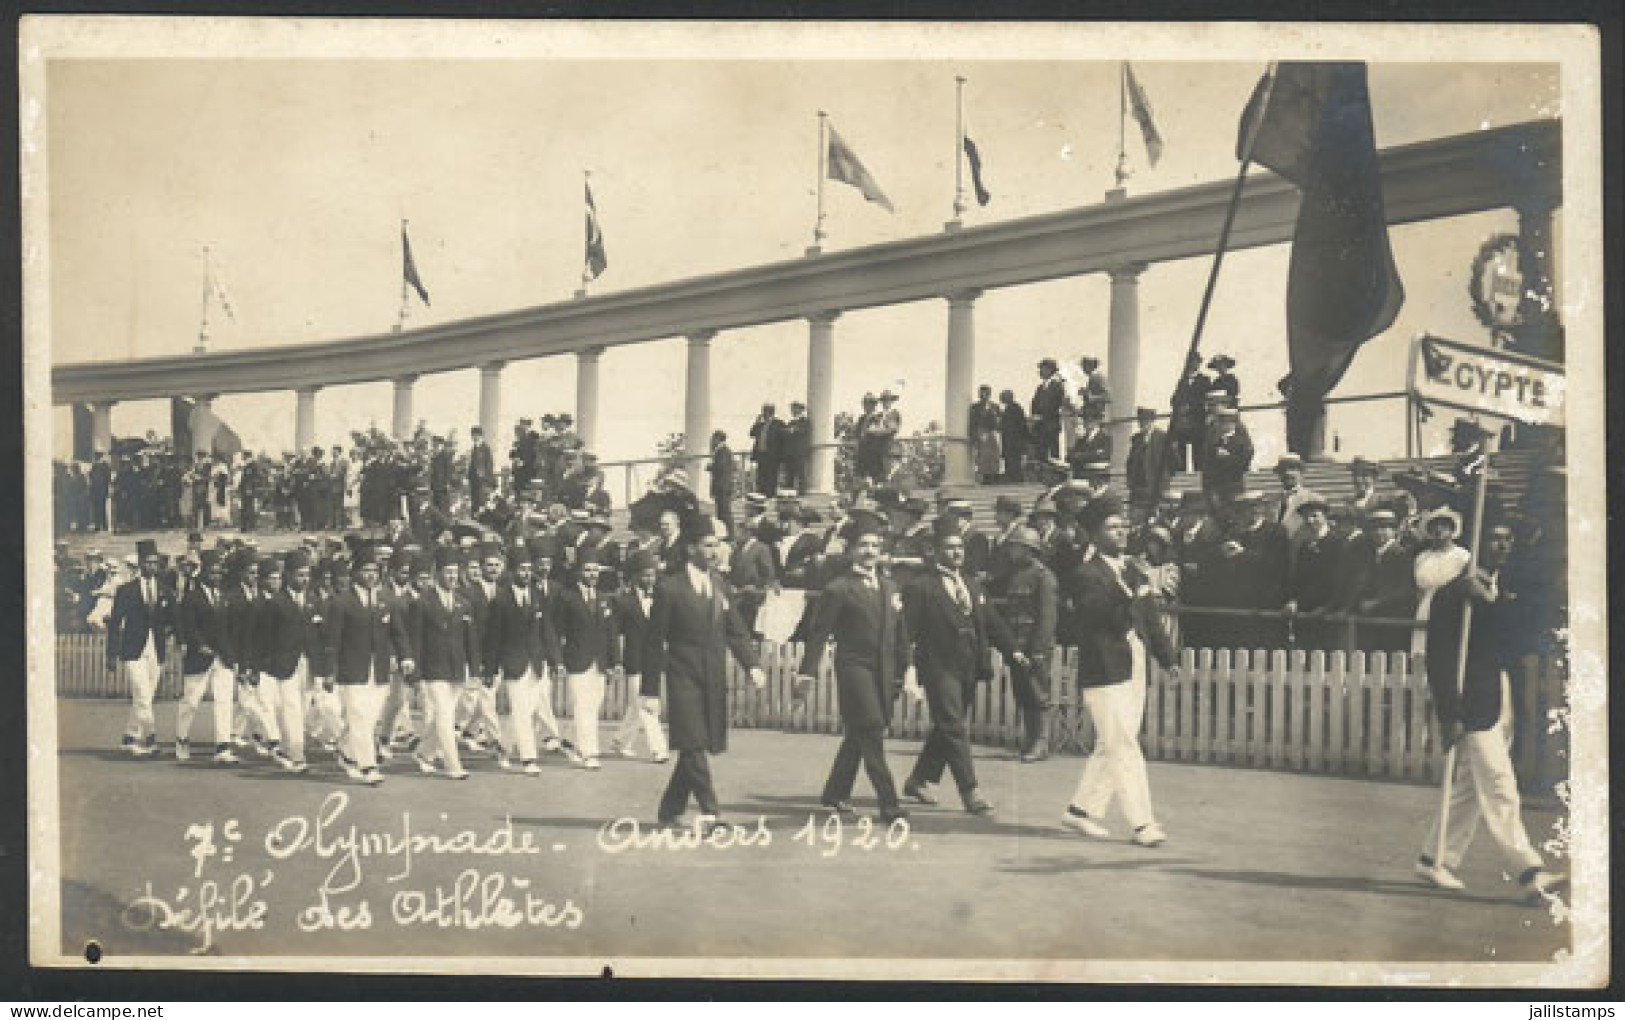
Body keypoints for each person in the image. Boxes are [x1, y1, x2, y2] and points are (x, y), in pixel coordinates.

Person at [1414, 521, 1566, 903]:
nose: (1501, 544)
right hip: (1471, 701)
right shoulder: (1452, 595)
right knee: (1499, 784)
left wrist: (1494, 603)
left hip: (1499, 697)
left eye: (1506, 538)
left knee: (1467, 787)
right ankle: (1529, 872)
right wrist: (1450, 712)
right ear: (1476, 543)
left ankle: (1434, 858)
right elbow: (1440, 657)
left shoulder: (1501, 589)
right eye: (1493, 537)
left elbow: (1514, 640)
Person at [1060, 498, 1179, 846]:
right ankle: (1143, 824)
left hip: (1134, 662)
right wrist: (1129, 593)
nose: (1121, 532)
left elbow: (1151, 620)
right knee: (1123, 745)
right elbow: (1095, 616)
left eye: (1122, 525)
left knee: (1111, 744)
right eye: (1112, 527)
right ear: (1094, 534)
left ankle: (1079, 812)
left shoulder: (1132, 570)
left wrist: (1167, 658)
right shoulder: (1085, 575)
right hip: (1104, 668)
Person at [645, 514, 766, 831]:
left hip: (712, 677)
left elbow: (736, 631)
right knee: (693, 743)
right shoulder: (668, 589)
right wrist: (649, 692)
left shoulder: (720, 585)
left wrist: (752, 664)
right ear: (689, 549)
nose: (715, 552)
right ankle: (711, 812)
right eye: (708, 545)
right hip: (681, 674)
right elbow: (654, 642)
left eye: (718, 546)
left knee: (693, 745)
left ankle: (670, 810)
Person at [797, 509, 912, 823]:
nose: (870, 551)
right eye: (863, 545)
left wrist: (907, 669)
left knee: (860, 733)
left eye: (875, 545)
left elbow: (901, 632)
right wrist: (806, 672)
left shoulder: (890, 587)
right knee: (872, 728)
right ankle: (889, 804)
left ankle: (835, 793)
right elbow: (818, 634)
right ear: (850, 551)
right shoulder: (838, 589)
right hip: (853, 669)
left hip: (885, 670)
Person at [901, 527, 1015, 815]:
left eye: (960, 548)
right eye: (950, 547)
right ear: (935, 551)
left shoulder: (973, 585)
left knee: (946, 725)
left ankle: (918, 780)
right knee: (953, 724)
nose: (956, 553)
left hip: (968, 665)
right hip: (937, 666)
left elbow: (993, 623)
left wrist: (1015, 651)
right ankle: (970, 790)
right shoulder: (921, 586)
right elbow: (906, 632)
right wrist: (906, 667)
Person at [326, 545, 412, 785]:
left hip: (380, 670)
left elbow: (399, 633)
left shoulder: (387, 599)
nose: (371, 575)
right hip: (351, 669)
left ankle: (345, 749)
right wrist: (329, 671)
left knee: (368, 718)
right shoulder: (341, 602)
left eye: (375, 570)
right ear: (355, 573)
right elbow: (332, 640)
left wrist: (406, 657)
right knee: (359, 716)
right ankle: (368, 765)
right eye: (366, 570)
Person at [482, 544, 563, 776]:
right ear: (512, 570)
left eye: (529, 569)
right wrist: (490, 670)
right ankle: (528, 758)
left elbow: (547, 631)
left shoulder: (538, 596)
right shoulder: (500, 600)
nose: (526, 574)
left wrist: (556, 661)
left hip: (537, 664)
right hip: (513, 664)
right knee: (520, 710)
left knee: (527, 710)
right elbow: (493, 639)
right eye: (522, 570)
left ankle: (504, 748)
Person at [407, 546, 480, 780]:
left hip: (457, 669)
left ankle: (423, 753)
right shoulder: (423, 602)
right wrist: (415, 675)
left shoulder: (463, 602)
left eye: (455, 572)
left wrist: (475, 668)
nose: (452, 577)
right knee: (446, 716)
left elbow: (471, 639)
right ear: (437, 573)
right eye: (447, 572)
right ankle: (453, 765)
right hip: (433, 669)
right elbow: (415, 640)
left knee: (443, 716)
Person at [991, 526, 1059, 762]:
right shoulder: (1015, 575)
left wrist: (1039, 649)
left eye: (1016, 547)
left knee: (1038, 693)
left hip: (1033, 646)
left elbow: (1047, 617)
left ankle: (1041, 743)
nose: (1011, 551)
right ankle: (1030, 740)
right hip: (1017, 645)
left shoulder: (1044, 577)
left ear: (1029, 549)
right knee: (1023, 693)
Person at [104, 539, 173, 757]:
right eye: (149, 562)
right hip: (133, 649)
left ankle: (130, 737)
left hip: (156, 649)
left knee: (145, 696)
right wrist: (111, 654)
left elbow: (173, 617)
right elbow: (115, 623)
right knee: (142, 693)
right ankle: (151, 738)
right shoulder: (126, 590)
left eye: (156, 563)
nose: (153, 567)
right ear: (141, 563)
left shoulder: (164, 589)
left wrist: (173, 633)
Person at [551, 549, 618, 769]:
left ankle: (570, 741)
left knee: (594, 704)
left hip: (599, 662)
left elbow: (611, 633)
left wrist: (614, 662)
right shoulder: (567, 598)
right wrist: (558, 661)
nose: (592, 574)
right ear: (579, 572)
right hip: (577, 660)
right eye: (588, 570)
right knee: (582, 706)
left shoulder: (603, 599)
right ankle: (589, 752)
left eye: (595, 570)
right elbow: (556, 631)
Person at [173, 549, 237, 763]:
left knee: (224, 701)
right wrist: (199, 645)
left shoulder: (225, 597)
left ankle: (222, 746)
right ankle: (182, 738)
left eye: (219, 573)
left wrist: (230, 652)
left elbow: (230, 627)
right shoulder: (192, 597)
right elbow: (187, 625)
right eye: (212, 572)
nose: (216, 577)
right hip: (199, 657)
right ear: (203, 572)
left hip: (223, 657)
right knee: (191, 701)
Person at [608, 550, 670, 764]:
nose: (649, 579)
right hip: (634, 660)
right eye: (645, 575)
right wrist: (616, 660)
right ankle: (659, 749)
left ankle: (620, 741)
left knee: (637, 705)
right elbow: (613, 634)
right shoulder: (622, 601)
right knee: (647, 705)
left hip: (655, 660)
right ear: (634, 576)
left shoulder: (663, 597)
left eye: (652, 575)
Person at [1125, 407, 1174, 520]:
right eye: (1141, 421)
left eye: (1146, 421)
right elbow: (1130, 462)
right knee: (1136, 518)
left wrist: (1165, 477)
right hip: (1138, 488)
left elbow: (1173, 460)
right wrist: (1130, 481)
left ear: (1152, 421)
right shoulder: (1136, 439)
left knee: (1154, 518)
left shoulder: (1162, 437)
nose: (1143, 424)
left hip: (1156, 486)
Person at [1201, 407, 1252, 509]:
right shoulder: (1212, 439)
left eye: (1226, 422)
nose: (1221, 426)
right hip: (1213, 485)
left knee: (1234, 510)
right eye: (1221, 422)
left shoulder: (1241, 441)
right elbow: (1206, 461)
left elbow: (1245, 460)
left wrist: (1228, 457)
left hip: (1233, 483)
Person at [1271, 454, 1322, 540]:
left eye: (1292, 468)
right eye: (1283, 470)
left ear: (1301, 473)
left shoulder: (1313, 499)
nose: (1287, 473)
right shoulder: (1273, 501)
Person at [1030, 359, 1067, 465]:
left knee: (1053, 451)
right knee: (1041, 451)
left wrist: (1042, 416)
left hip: (1051, 424)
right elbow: (1034, 404)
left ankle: (1055, 476)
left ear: (1050, 370)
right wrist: (1035, 416)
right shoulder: (1040, 387)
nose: (1040, 371)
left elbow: (1055, 405)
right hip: (1040, 426)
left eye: (1042, 368)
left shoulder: (1057, 385)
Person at [969, 385, 1003, 484]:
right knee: (983, 457)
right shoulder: (975, 407)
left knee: (995, 455)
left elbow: (999, 421)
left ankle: (995, 477)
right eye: (981, 393)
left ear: (989, 394)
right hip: (982, 432)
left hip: (993, 432)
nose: (984, 395)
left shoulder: (995, 406)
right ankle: (986, 478)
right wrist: (975, 436)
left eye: (986, 393)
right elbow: (972, 422)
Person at [1068, 405, 1112, 478]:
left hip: (1096, 479)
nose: (1087, 422)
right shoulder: (1081, 441)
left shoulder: (1105, 439)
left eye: (1090, 419)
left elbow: (1103, 456)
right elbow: (1071, 456)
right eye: (1085, 419)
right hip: (1079, 477)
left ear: (1097, 421)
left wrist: (1080, 456)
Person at [748, 403, 783, 497]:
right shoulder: (760, 425)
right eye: (763, 411)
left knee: (771, 477)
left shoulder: (778, 423)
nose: (763, 414)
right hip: (761, 454)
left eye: (765, 411)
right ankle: (761, 495)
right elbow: (752, 434)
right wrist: (756, 422)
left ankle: (770, 495)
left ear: (770, 412)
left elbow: (782, 439)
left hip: (772, 455)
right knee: (761, 477)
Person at [706, 430, 737, 533]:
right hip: (722, 487)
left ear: (718, 439)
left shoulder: (723, 451)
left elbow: (721, 467)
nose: (711, 441)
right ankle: (725, 533)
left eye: (713, 439)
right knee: (721, 512)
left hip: (722, 487)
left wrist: (711, 467)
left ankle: (730, 534)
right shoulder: (722, 451)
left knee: (724, 513)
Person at [998, 389, 1028, 482]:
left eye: (1002, 397)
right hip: (1010, 440)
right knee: (1011, 460)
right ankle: (1012, 477)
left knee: (1013, 460)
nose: (1000, 399)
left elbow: (1020, 426)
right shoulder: (1011, 408)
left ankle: (1015, 478)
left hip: (1014, 441)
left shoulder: (1014, 408)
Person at [781, 401, 811, 494]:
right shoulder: (791, 422)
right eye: (792, 409)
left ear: (800, 410)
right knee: (789, 475)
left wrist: (794, 430)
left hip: (800, 452)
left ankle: (802, 493)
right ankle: (789, 494)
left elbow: (805, 432)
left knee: (801, 474)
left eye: (794, 409)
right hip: (790, 453)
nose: (793, 411)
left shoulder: (805, 421)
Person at [467, 426, 496, 512]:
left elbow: (489, 465)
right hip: (474, 481)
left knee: (481, 503)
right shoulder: (474, 448)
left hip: (482, 482)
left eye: (476, 435)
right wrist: (469, 477)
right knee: (474, 502)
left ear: (481, 436)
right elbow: (472, 465)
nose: (474, 437)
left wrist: (486, 480)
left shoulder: (486, 449)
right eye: (473, 435)